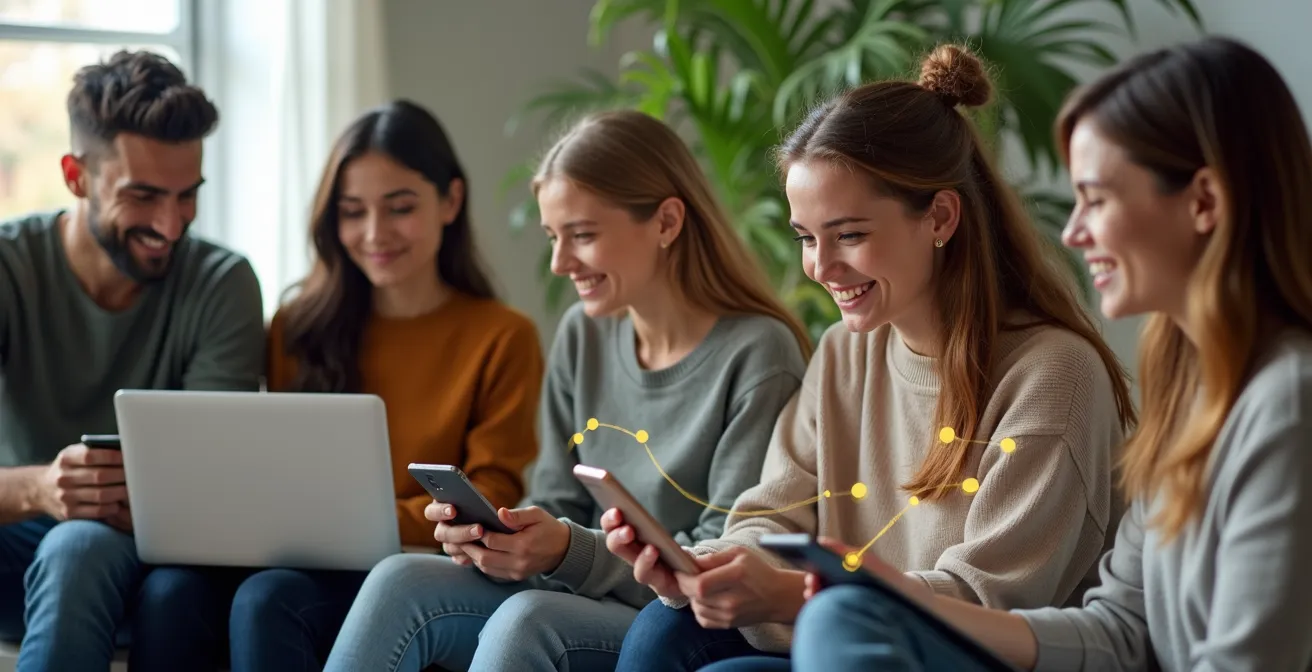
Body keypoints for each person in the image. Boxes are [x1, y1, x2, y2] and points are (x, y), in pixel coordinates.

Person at [786, 35, 1312, 672]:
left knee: (840, 624)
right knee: (841, 619)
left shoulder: (1287, 404)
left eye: (1097, 199)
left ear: (1203, 203)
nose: (1073, 231)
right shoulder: (1189, 390)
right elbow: (1121, 630)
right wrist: (897, 597)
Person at [604, 44, 1137, 671]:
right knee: (664, 628)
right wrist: (720, 568)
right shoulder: (843, 353)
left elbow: (985, 604)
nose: (820, 268)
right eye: (807, 238)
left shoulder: (1054, 376)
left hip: (956, 657)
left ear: (940, 215)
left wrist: (791, 594)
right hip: (841, 634)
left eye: (849, 235)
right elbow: (772, 510)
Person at [322, 109, 812, 671]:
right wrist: (503, 540)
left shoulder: (759, 354)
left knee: (527, 620)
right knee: (400, 577)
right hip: (582, 588)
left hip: (672, 615)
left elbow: (721, 555)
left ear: (667, 222)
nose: (559, 263)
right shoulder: (584, 332)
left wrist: (567, 551)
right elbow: (556, 501)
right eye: (554, 237)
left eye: (582, 236)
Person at [132, 100, 547, 671]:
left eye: (400, 207)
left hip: (416, 569)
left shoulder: (503, 337)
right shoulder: (297, 327)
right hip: (295, 557)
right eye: (352, 212)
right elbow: (271, 469)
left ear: (450, 201)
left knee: (269, 599)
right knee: (168, 592)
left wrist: (351, 521)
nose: (375, 233)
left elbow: (489, 495)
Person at [0, 50, 265, 671]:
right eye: (143, 196)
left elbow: (206, 488)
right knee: (73, 541)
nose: (170, 226)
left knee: (80, 546)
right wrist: (41, 488)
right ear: (75, 176)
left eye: (187, 196)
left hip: (147, 557)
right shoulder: (10, 269)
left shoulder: (221, 284)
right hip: (18, 537)